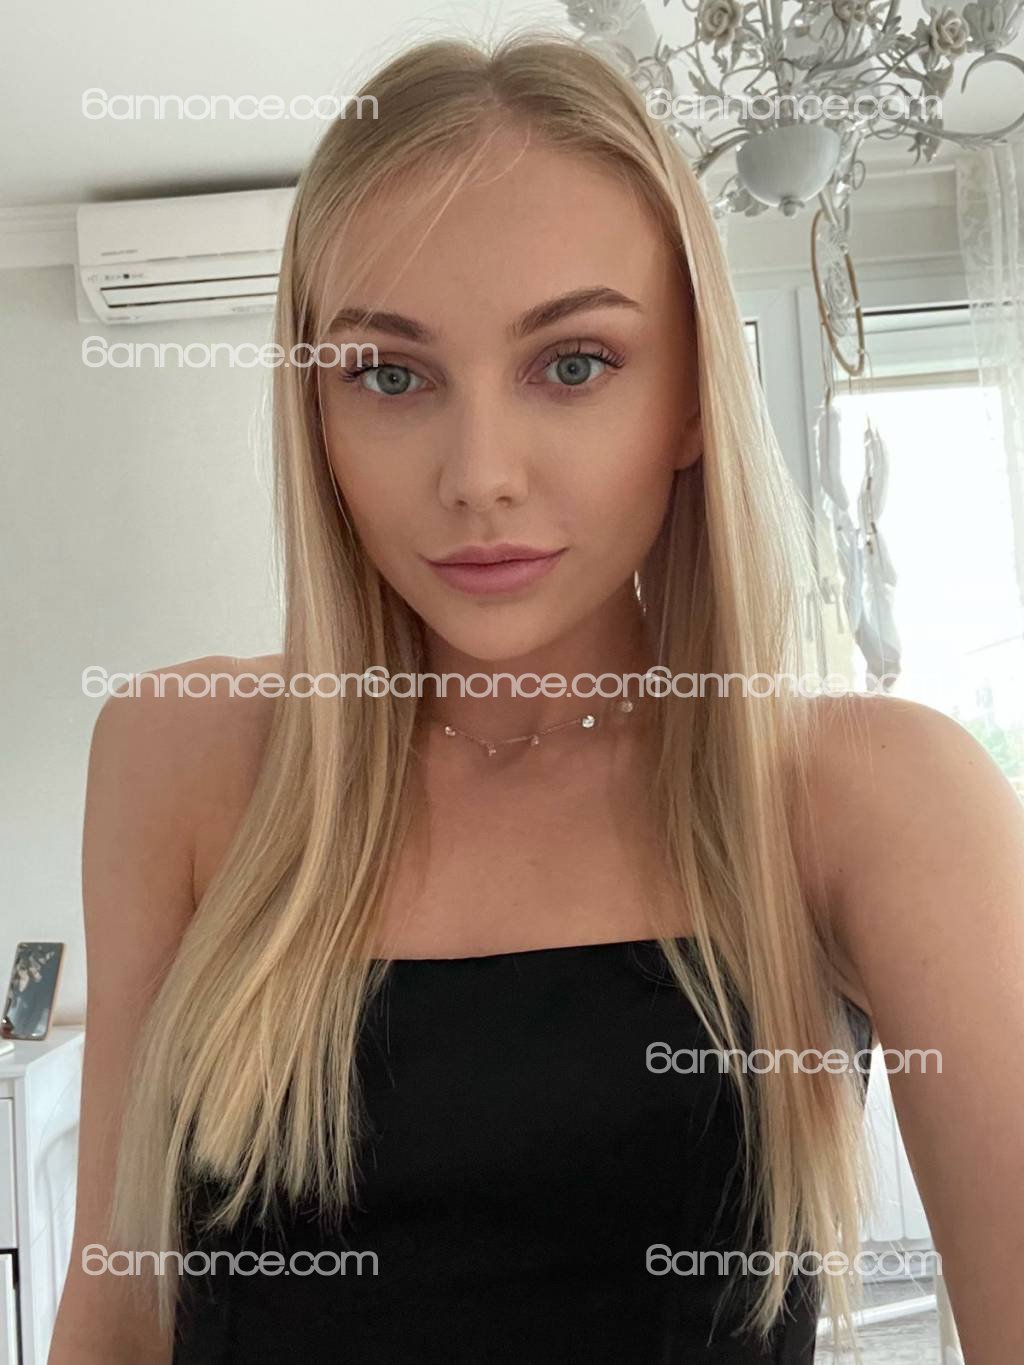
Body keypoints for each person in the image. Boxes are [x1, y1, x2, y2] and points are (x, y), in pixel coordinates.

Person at [49, 31, 1024, 1365]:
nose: (480, 475)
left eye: (573, 364)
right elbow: (116, 1318)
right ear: (318, 417)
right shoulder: (182, 759)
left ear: (692, 398)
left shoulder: (868, 796)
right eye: (390, 376)